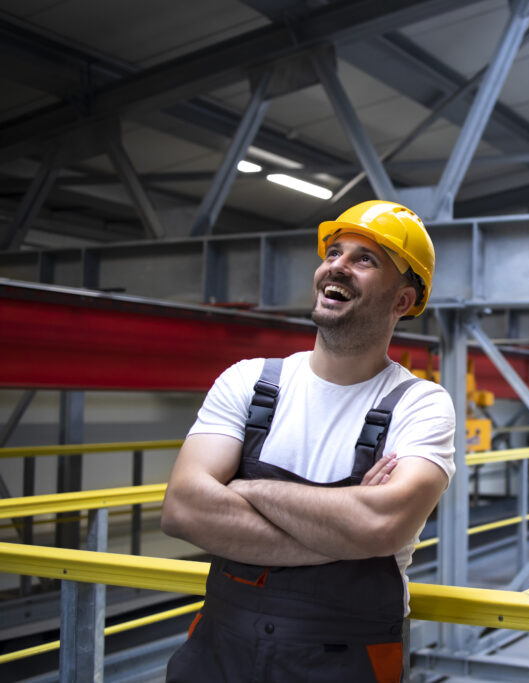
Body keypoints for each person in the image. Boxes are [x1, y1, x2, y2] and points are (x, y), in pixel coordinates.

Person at [160, 200, 455, 683]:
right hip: (220, 652)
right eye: (334, 252)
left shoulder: (420, 404)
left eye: (365, 259)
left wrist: (248, 490)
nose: (337, 265)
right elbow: (183, 509)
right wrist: (345, 524)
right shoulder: (249, 381)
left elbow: (382, 526)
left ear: (402, 301)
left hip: (345, 659)